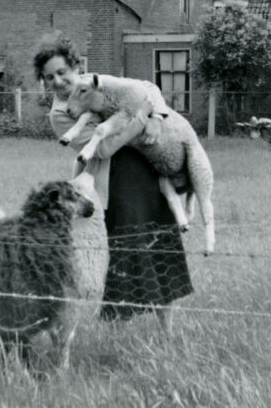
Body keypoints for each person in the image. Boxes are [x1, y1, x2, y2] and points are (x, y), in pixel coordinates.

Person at [33, 35, 193, 329]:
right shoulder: (59, 116)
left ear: (76, 67)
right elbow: (105, 148)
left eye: (61, 72)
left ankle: (167, 329)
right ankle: (118, 329)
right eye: (48, 77)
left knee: (160, 239)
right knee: (127, 247)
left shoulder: (99, 83)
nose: (56, 81)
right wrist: (142, 117)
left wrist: (156, 114)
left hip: (145, 169)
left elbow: (147, 89)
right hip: (112, 179)